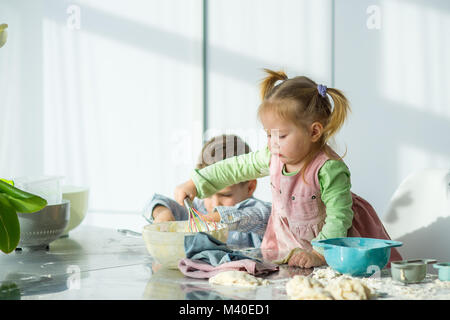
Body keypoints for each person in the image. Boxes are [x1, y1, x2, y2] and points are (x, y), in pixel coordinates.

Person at [174, 68, 402, 268]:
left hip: (335, 243)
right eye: (268, 134)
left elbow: (338, 217)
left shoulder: (328, 168)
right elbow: (234, 168)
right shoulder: (273, 156)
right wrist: (196, 182)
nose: (273, 142)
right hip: (290, 242)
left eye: (281, 135)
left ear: (314, 132)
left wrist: (319, 253)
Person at [142, 134, 271, 248]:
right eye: (207, 195)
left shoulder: (259, 213)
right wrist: (161, 212)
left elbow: (261, 215)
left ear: (250, 187)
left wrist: (218, 218)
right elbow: (156, 201)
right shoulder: (198, 210)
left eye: (225, 195)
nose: (214, 204)